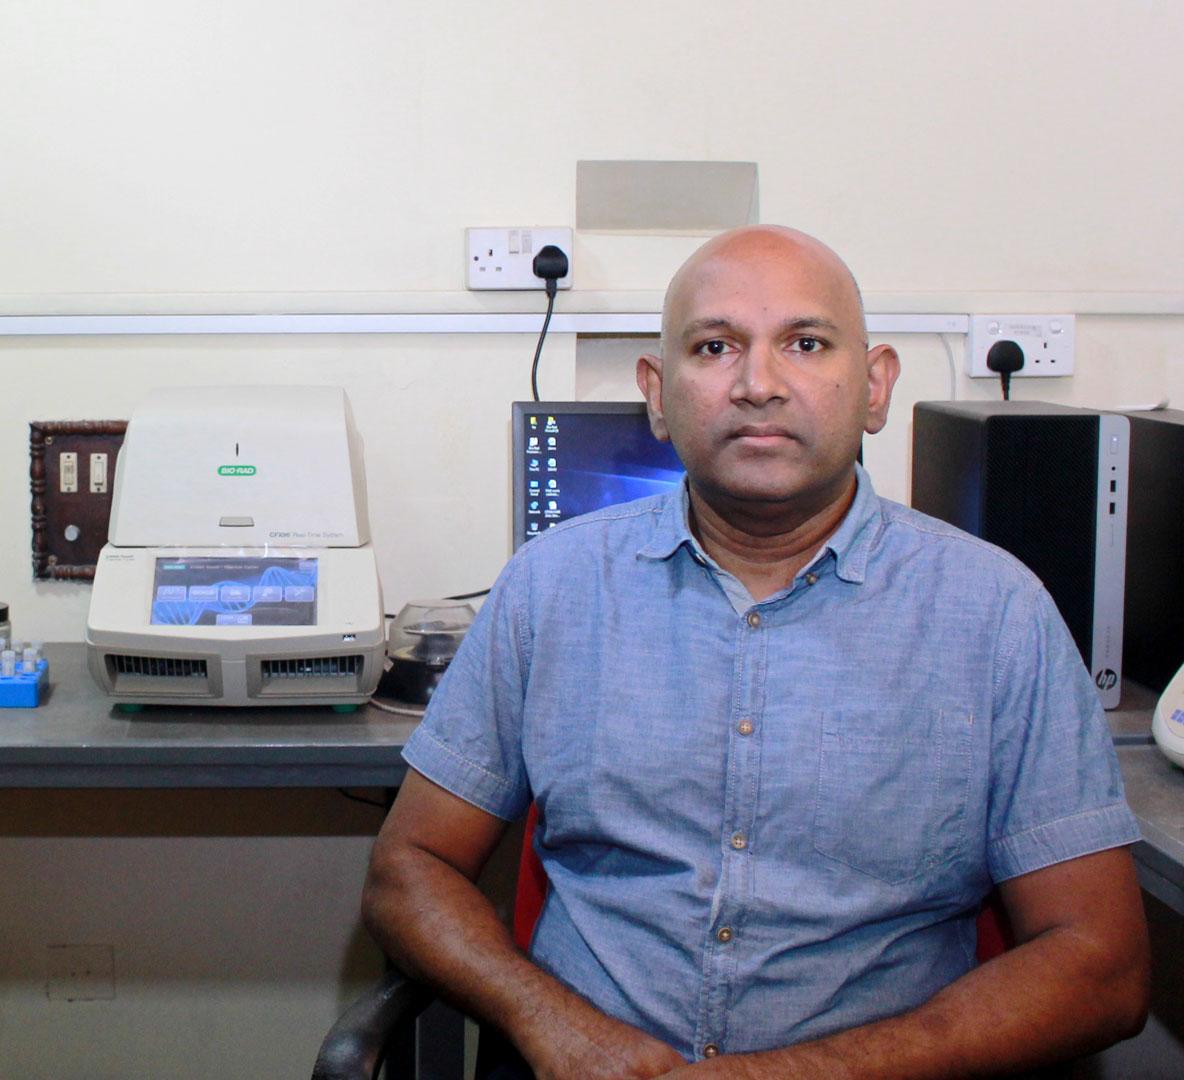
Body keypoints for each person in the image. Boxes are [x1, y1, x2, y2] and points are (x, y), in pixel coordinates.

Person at [362, 226, 1150, 1079]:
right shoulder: (550, 587)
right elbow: (410, 868)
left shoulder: (997, 616)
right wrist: (552, 1028)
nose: (760, 385)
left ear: (876, 388)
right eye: (715, 347)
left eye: (805, 344)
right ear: (658, 396)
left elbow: (1100, 965)